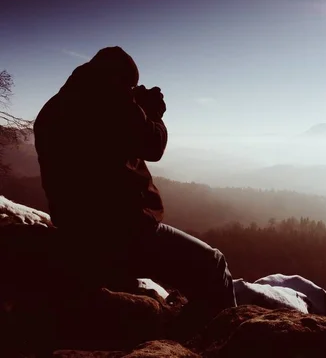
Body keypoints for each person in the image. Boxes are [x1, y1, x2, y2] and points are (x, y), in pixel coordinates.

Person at [33, 46, 236, 336]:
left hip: (75, 228)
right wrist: (152, 110)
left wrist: (134, 105)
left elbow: (109, 146)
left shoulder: (55, 107)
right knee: (214, 264)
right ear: (119, 79)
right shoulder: (107, 100)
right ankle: (223, 342)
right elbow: (153, 144)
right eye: (129, 85)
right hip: (121, 231)